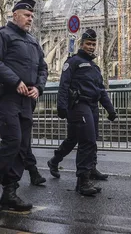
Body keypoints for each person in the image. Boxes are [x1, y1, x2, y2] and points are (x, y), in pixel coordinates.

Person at [0, 0, 48, 212]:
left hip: (26, 99)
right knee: (12, 140)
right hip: (6, 96)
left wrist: (39, 87)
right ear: (15, 14)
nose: (30, 19)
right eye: (27, 15)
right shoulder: (1, 36)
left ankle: (10, 191)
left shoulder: (33, 42)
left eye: (32, 16)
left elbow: (43, 68)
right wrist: (15, 81)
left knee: (22, 146)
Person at [51, 28, 117, 196]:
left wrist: (110, 109)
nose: (91, 47)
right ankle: (82, 180)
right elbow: (64, 85)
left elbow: (101, 90)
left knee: (78, 138)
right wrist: (62, 106)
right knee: (87, 141)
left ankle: (58, 161)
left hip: (92, 106)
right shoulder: (73, 62)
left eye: (94, 44)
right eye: (88, 44)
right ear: (81, 44)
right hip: (78, 106)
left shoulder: (95, 67)